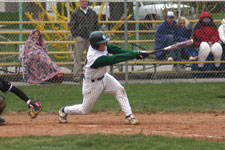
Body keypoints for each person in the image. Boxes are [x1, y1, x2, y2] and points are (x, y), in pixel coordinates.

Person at [58, 31, 149, 125]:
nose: (105, 44)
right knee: (84, 109)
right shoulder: (95, 58)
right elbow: (115, 58)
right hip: (92, 84)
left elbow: (116, 50)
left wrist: (137, 53)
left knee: (120, 89)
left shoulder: (102, 47)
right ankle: (64, 110)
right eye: (102, 43)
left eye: (105, 42)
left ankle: (128, 115)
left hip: (104, 77)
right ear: (96, 45)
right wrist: (135, 55)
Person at [69, 0, 99, 82]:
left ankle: (90, 75)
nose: (84, 3)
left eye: (85, 1)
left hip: (90, 38)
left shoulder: (92, 13)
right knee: (78, 57)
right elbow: (72, 26)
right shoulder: (75, 13)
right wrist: (76, 35)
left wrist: (94, 35)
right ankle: (76, 76)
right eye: (82, 1)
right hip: (80, 38)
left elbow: (96, 25)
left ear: (87, 2)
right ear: (79, 2)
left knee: (91, 57)